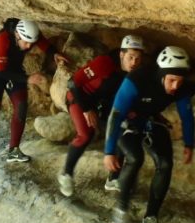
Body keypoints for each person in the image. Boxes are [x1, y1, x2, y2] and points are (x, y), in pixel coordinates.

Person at [103, 46, 195, 223]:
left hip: (149, 120)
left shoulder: (181, 87)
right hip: (125, 119)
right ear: (162, 75)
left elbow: (187, 117)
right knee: (135, 158)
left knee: (165, 163)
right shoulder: (138, 79)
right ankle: (121, 209)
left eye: (179, 81)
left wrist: (189, 144)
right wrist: (109, 151)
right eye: (171, 80)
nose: (175, 86)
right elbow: (115, 115)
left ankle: (150, 217)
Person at [57, 35, 145, 197]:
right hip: (79, 98)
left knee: (122, 129)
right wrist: (86, 109)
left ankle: (113, 179)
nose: (134, 62)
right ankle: (66, 174)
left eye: (138, 58)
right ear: (121, 54)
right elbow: (73, 83)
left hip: (101, 103)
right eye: (131, 57)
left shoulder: (133, 73)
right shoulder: (104, 63)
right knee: (86, 134)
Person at [0, 18, 68, 167]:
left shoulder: (30, 35)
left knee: (21, 106)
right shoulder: (2, 40)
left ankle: (14, 151)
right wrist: (28, 79)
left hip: (14, 70)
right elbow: (1, 72)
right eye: (26, 42)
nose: (28, 46)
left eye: (31, 43)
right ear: (17, 35)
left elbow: (43, 43)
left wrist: (55, 53)